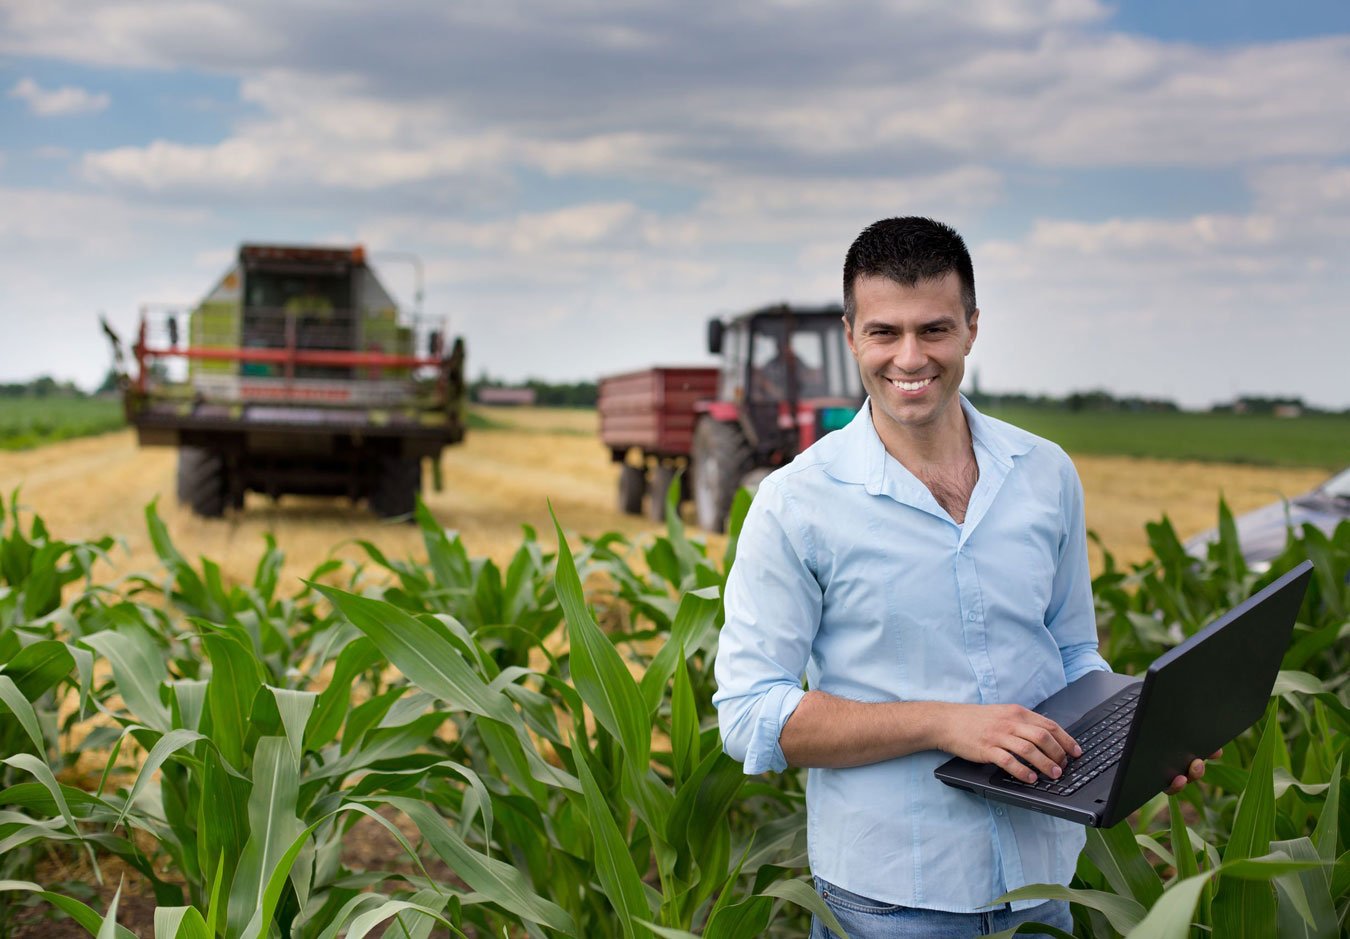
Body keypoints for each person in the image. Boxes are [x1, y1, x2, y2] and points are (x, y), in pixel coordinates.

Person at [712, 217, 1210, 938]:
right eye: (884, 332)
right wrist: (945, 722)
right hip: (893, 900)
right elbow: (751, 714)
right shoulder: (796, 503)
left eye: (935, 329)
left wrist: (1139, 740)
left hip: (1044, 884)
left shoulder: (1044, 472)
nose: (909, 357)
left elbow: (1073, 654)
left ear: (973, 328)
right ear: (852, 335)